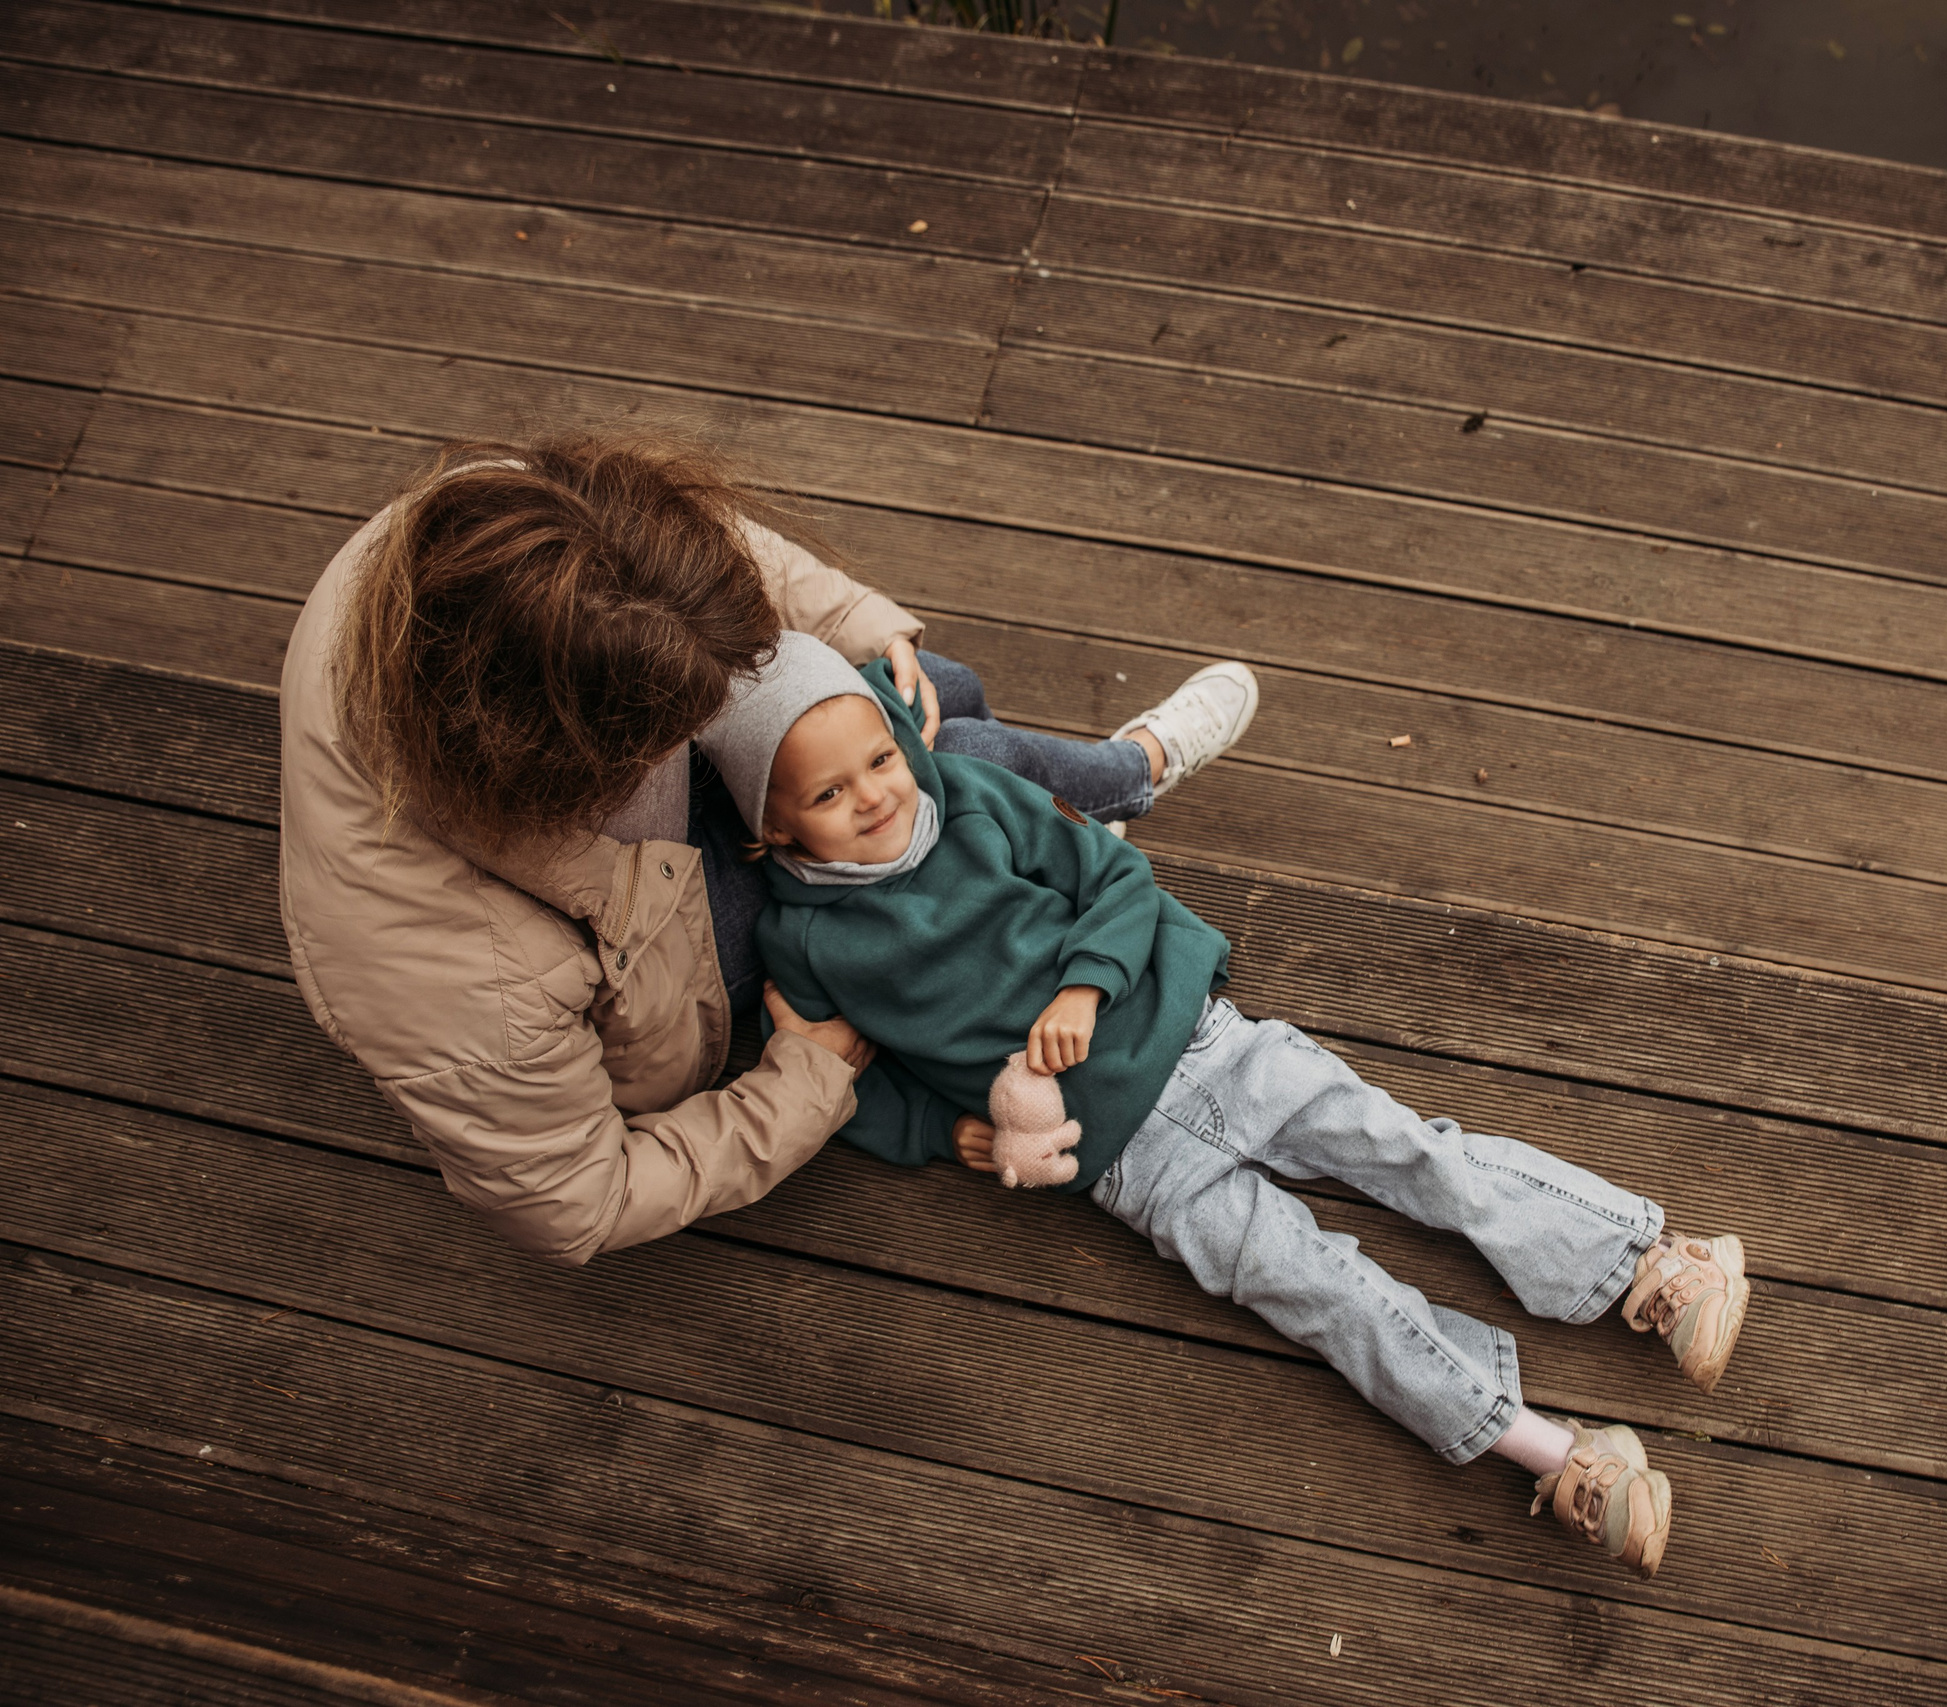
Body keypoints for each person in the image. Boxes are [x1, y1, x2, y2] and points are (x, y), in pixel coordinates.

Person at [702, 633, 1751, 1578]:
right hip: (1125, 1166)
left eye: (881, 758)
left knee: (1409, 1154)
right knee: (1321, 1295)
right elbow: (847, 1086)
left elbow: (1116, 879)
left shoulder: (976, 799)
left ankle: (1651, 1262)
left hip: (1203, 1043)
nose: (875, 795)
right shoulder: (804, 948)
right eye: (829, 793)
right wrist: (944, 1130)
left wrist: (1085, 986)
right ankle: (1562, 1457)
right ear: (770, 828)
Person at [278, 432, 1259, 1267]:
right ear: (582, 760)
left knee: (926, 698)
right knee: (943, 771)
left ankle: (1098, 791)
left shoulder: (509, 519)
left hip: (618, 802)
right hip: (630, 960)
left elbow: (690, 556)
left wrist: (852, 629)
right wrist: (803, 1077)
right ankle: (1097, 798)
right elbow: (576, 1200)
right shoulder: (457, 977)